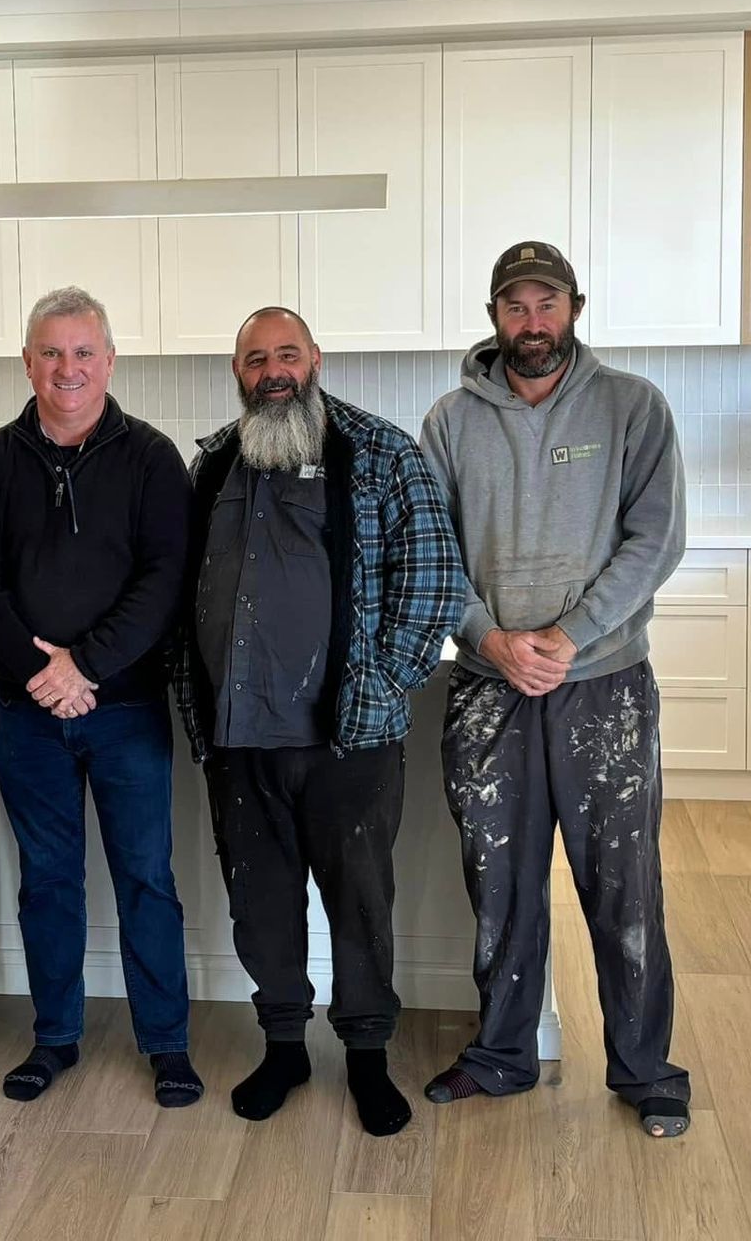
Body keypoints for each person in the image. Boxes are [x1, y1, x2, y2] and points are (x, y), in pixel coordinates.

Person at [418, 240, 693, 1138]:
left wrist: (569, 636)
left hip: (603, 684)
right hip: (488, 685)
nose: (531, 322)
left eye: (547, 304)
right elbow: (432, 555)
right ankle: (502, 1054)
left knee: (623, 882)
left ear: (575, 306)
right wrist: (491, 639)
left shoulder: (632, 408)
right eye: (515, 306)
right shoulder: (450, 423)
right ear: (493, 316)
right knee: (497, 880)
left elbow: (655, 541)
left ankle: (645, 1070)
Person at [173, 307, 463, 1138]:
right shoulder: (213, 463)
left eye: (287, 354)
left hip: (348, 740)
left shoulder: (379, 452)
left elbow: (435, 576)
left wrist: (383, 682)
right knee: (260, 905)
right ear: (237, 371)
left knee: (359, 903)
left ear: (315, 361)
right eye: (256, 358)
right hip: (239, 739)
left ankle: (366, 1055)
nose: (273, 371)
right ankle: (285, 1048)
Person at [0, 286, 201, 1110]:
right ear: (27, 363)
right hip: (28, 714)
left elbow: (165, 580)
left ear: (110, 361)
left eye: (83, 352)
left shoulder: (152, 458)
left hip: (126, 709)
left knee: (146, 879)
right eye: (52, 353)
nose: (68, 368)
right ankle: (55, 1037)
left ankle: (166, 1043)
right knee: (48, 881)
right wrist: (41, 672)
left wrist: (83, 666)